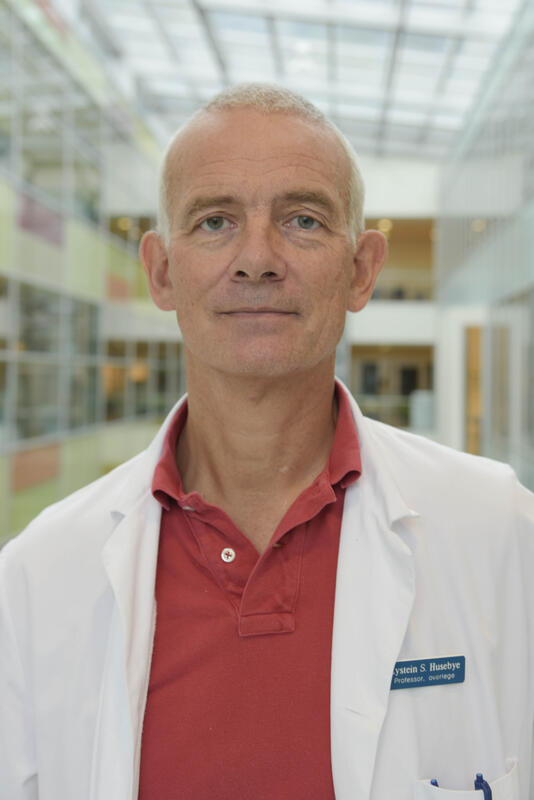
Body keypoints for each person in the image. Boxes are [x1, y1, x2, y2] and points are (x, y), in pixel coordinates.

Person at [1, 83, 533, 800]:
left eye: (303, 220)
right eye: (215, 221)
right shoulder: (39, 576)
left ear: (361, 270)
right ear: (162, 272)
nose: (257, 258)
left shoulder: (500, 531)